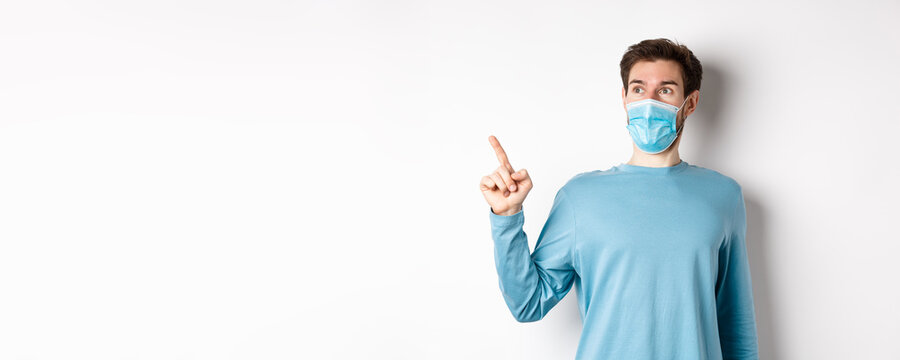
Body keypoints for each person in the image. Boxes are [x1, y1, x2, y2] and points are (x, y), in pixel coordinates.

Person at [479, 38, 759, 360]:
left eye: (665, 90)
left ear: (691, 102)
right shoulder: (580, 197)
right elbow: (527, 304)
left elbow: (735, 322)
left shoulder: (723, 195)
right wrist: (506, 218)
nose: (649, 101)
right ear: (624, 98)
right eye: (638, 90)